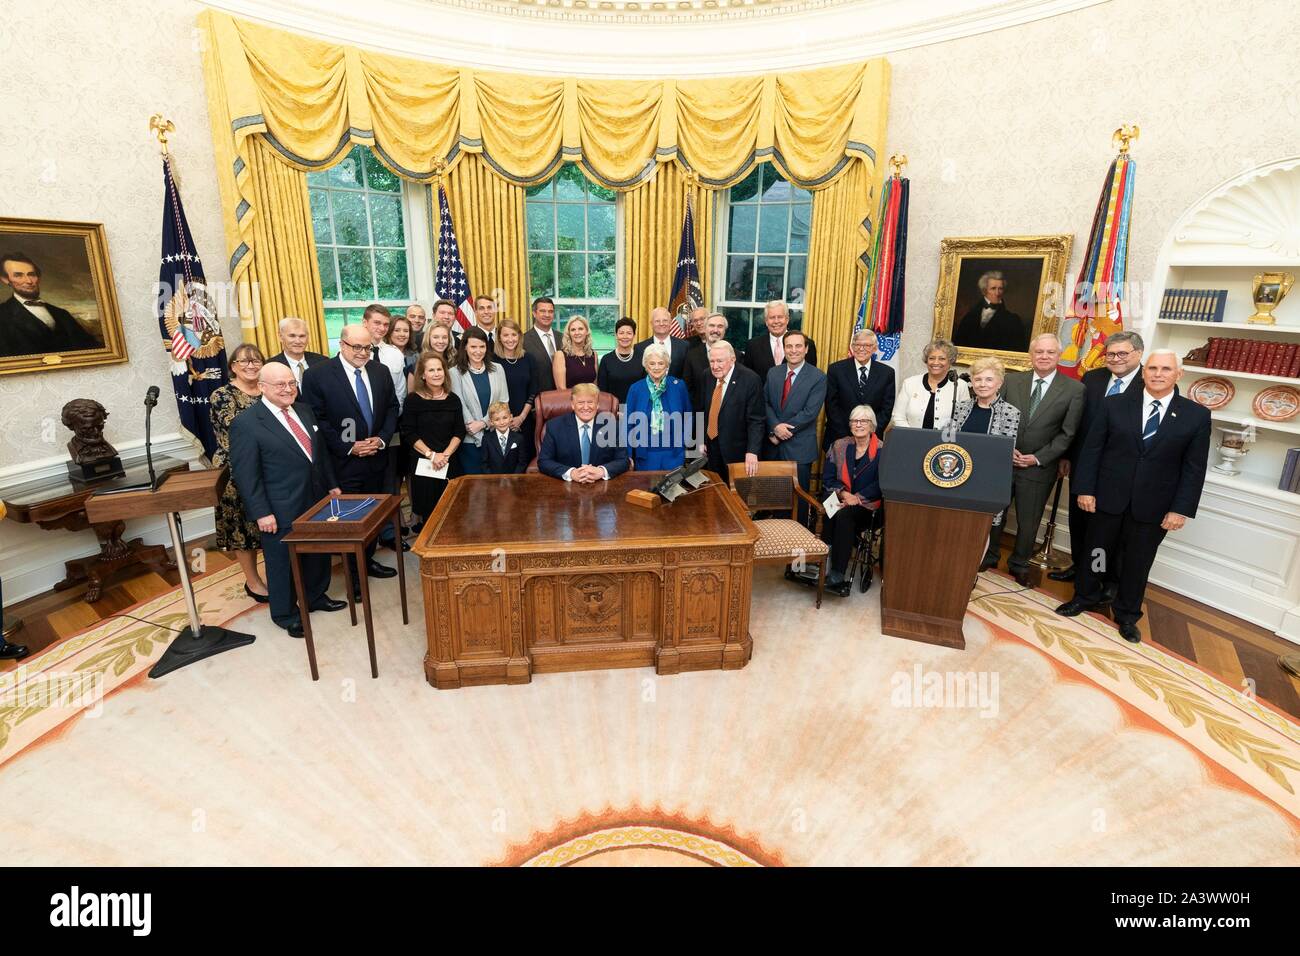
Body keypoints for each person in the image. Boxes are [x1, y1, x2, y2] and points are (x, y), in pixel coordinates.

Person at [1055, 350, 1211, 643]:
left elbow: (1194, 469)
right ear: (1143, 371)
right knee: (1097, 552)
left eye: (1166, 369)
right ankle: (1086, 596)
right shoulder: (1114, 405)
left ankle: (1127, 614)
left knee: (1136, 563)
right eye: (1152, 368)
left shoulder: (1196, 415)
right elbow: (1092, 450)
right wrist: (1085, 489)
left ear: (1179, 374)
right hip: (1107, 498)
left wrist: (1181, 509)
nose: (1158, 374)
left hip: (1154, 506)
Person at [228, 362, 347, 637]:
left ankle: (316, 596)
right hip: (278, 507)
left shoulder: (304, 410)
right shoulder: (246, 423)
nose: (288, 389)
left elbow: (321, 455)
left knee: (317, 553)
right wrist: (261, 512)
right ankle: (285, 613)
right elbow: (247, 475)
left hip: (316, 498)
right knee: (281, 562)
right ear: (262, 387)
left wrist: (332, 486)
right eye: (280, 384)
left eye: (291, 383)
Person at [300, 322, 399, 587]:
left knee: (374, 515)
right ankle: (354, 577)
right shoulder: (317, 376)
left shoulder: (380, 371)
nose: (363, 352)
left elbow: (392, 408)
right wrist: (350, 446)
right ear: (342, 345)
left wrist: (381, 439)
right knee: (350, 521)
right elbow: (316, 421)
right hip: (343, 463)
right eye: (357, 347)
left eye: (367, 347)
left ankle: (368, 561)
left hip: (377, 458)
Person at [1050, 330, 1145, 586]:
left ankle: (1103, 579)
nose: (1115, 359)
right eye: (1110, 354)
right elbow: (1077, 422)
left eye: (1122, 353)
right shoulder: (1092, 378)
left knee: (1108, 531)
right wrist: (1067, 456)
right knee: (1079, 522)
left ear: (1138, 353)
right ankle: (1080, 567)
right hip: (1084, 464)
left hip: (1120, 473)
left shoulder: (1150, 384)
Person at [992, 333, 1084, 584]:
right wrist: (1005, 448)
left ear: (1059, 355)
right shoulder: (1011, 381)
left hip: (1039, 467)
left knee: (1028, 521)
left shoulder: (1075, 389)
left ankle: (1019, 564)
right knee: (994, 514)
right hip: (1003, 461)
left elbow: (1068, 433)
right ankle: (989, 556)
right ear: (1031, 355)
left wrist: (1037, 458)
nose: (1044, 356)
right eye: (1039, 352)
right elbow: (997, 416)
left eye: (1050, 352)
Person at [209, 343, 271, 603]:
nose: (250, 365)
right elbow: (239, 430)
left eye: (256, 360)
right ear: (233, 366)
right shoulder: (222, 395)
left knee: (269, 525)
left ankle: (277, 572)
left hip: (271, 466)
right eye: (244, 361)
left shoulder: (268, 390)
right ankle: (253, 581)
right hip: (236, 469)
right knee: (243, 529)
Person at [952, 356, 1021, 566]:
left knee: (983, 524)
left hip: (988, 478)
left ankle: (975, 562)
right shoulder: (961, 407)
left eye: (989, 380)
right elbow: (950, 438)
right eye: (978, 379)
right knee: (958, 520)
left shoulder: (1010, 412)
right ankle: (955, 557)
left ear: (999, 383)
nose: (983, 384)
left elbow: (1003, 450)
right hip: (958, 473)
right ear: (972, 382)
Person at [820, 405, 884, 597]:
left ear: (872, 426)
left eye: (863, 421)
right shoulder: (839, 446)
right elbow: (828, 479)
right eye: (855, 421)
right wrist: (844, 494)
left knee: (844, 514)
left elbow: (881, 484)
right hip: (842, 497)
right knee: (830, 508)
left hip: (868, 506)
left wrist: (858, 498)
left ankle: (838, 573)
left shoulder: (883, 450)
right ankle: (824, 562)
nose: (859, 425)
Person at [400, 352, 465, 524]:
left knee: (452, 512)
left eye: (440, 369)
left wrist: (445, 456)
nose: (437, 374)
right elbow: (409, 433)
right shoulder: (413, 400)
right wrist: (432, 455)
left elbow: (459, 431)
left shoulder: (453, 399)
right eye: (431, 370)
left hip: (449, 463)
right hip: (424, 464)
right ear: (422, 375)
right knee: (430, 515)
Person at [763, 330, 826, 504]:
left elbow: (810, 412)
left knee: (799, 502)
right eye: (789, 346)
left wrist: (780, 432)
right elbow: (765, 403)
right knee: (773, 500)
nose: (793, 350)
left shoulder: (818, 377)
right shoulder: (773, 373)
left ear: (806, 349)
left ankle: (800, 532)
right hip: (773, 448)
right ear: (784, 349)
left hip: (799, 448)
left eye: (798, 346)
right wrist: (775, 427)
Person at [0, 251, 102, 357]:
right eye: (18, 275)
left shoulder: (62, 314)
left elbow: (91, 348)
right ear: (6, 280)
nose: (29, 281)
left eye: (32, 274)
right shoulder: (2, 314)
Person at [538, 383, 629, 481]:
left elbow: (623, 460)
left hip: (601, 485)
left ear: (597, 404)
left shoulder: (611, 426)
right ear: (572, 405)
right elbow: (544, 461)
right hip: (565, 486)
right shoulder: (555, 426)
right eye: (580, 403)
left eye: (590, 402)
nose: (586, 407)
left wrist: (601, 471)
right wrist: (571, 473)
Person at [449, 326, 509, 475]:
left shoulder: (498, 369)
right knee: (474, 490)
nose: (478, 351)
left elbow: (503, 402)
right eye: (473, 346)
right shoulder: (454, 372)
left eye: (482, 346)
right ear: (465, 348)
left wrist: (482, 423)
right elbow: (460, 405)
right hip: (469, 442)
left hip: (495, 437)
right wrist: (474, 430)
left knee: (496, 486)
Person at [624, 342, 692, 471]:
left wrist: (684, 443)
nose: (656, 367)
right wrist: (628, 455)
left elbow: (688, 416)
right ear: (645, 365)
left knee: (673, 490)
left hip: (674, 453)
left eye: (661, 363)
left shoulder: (678, 385)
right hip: (645, 455)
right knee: (646, 491)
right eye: (652, 363)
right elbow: (628, 424)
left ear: (667, 365)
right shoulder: (635, 389)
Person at [702, 340, 763, 480]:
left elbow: (756, 420)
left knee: (737, 496)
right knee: (714, 492)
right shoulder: (706, 376)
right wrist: (701, 439)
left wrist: (752, 451)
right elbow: (701, 409)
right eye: (712, 361)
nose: (715, 366)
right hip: (711, 450)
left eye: (720, 361)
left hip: (737, 451)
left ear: (733, 359)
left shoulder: (750, 379)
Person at [824, 329, 895, 445]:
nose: (861, 349)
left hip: (872, 439)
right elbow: (831, 406)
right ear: (852, 346)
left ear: (875, 348)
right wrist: (847, 436)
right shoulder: (836, 370)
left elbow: (886, 409)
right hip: (839, 437)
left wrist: (869, 433)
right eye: (857, 345)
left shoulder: (887, 373)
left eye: (867, 345)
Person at [892, 339, 970, 431]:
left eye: (942, 358)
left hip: (945, 443)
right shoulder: (909, 383)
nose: (936, 362)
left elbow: (964, 420)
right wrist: (912, 435)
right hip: (911, 440)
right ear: (926, 360)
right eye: (931, 358)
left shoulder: (960, 386)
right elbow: (898, 417)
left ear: (950, 361)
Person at [494, 318, 540, 459]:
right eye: (506, 335)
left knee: (524, 461)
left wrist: (521, 417)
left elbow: (533, 391)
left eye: (514, 335)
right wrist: (504, 419)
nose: (510, 339)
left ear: (519, 336)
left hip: (525, 420)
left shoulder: (529, 358)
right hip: (499, 421)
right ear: (499, 338)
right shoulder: (492, 360)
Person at [952, 271, 1027, 353]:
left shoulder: (1013, 320)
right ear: (984, 291)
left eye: (1000, 289)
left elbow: (1017, 350)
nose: (997, 293)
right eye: (993, 288)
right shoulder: (970, 316)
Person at [743, 300, 818, 381]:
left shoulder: (807, 344)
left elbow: (811, 377)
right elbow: (748, 379)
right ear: (766, 321)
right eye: (772, 317)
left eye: (780, 317)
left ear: (787, 319)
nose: (776, 321)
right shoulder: (753, 346)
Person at [362, 304, 408, 412]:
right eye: (377, 323)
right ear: (365, 322)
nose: (382, 328)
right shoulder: (354, 354)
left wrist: (395, 414)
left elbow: (400, 391)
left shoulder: (395, 354)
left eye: (386, 324)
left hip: (390, 415)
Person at [682, 312, 728, 413]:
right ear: (705, 328)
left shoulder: (735, 356)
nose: (715, 330)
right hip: (698, 415)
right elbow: (687, 388)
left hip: (727, 416)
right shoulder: (691, 355)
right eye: (711, 326)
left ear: (724, 330)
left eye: (720, 326)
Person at [267, 316, 328, 386]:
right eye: (292, 336)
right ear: (281, 337)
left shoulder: (323, 361)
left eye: (302, 336)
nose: (298, 341)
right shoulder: (270, 366)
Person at [633, 307, 689, 378]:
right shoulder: (639, 348)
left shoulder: (684, 346)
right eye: (657, 321)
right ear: (651, 323)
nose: (661, 324)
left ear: (670, 322)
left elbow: (686, 375)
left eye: (665, 320)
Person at [523, 296, 563, 393]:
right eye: (542, 311)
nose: (547, 315)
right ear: (534, 313)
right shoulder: (523, 340)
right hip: (538, 398)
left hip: (564, 397)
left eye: (550, 311)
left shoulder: (563, 338)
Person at [597, 317, 642, 403]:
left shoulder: (642, 359)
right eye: (621, 333)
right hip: (612, 409)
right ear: (616, 335)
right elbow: (602, 391)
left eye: (629, 333)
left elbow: (645, 388)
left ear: (634, 335)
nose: (625, 337)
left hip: (637, 409)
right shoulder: (606, 360)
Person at [481, 401, 528, 475]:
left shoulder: (519, 438)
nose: (502, 422)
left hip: (514, 480)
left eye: (505, 418)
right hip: (494, 481)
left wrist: (514, 478)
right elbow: (484, 464)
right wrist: (492, 479)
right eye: (497, 419)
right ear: (491, 422)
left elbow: (522, 463)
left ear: (511, 417)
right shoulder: (486, 439)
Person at [553, 314, 597, 390]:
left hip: (590, 401)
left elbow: (595, 385)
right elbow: (561, 389)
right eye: (573, 330)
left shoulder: (593, 354)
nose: (577, 332)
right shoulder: (560, 355)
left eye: (580, 329)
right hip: (568, 400)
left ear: (586, 331)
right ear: (569, 334)